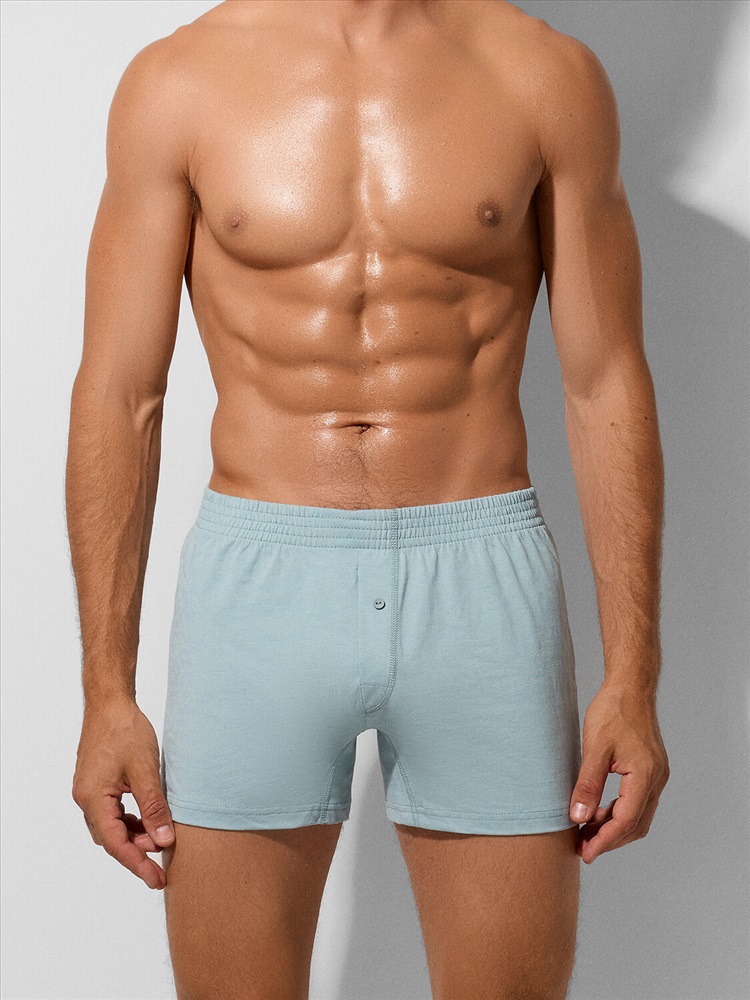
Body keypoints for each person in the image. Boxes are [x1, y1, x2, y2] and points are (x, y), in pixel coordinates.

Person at [66, 1, 670, 997]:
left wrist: (633, 678)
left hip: (481, 584)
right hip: (258, 585)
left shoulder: (545, 76)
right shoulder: (179, 82)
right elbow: (120, 393)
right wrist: (105, 691)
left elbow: (605, 381)